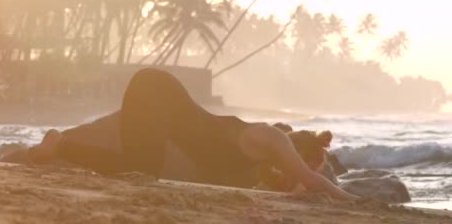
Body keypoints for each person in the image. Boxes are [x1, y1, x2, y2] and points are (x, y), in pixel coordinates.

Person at [27, 68, 358, 201]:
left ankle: (60, 146)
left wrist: (300, 186)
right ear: (297, 155)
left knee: (140, 170)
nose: (302, 174)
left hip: (157, 102)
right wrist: (358, 202)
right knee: (141, 170)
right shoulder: (272, 139)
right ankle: (59, 146)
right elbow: (314, 184)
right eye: (309, 165)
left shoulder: (256, 165)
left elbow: (294, 191)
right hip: (155, 90)